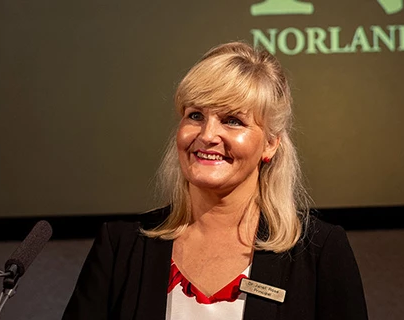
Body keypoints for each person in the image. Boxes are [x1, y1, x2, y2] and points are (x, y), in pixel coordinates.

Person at [62, 41, 368, 320]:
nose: (207, 136)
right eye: (195, 115)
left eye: (232, 120)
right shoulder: (121, 247)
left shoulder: (319, 251)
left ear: (270, 144)